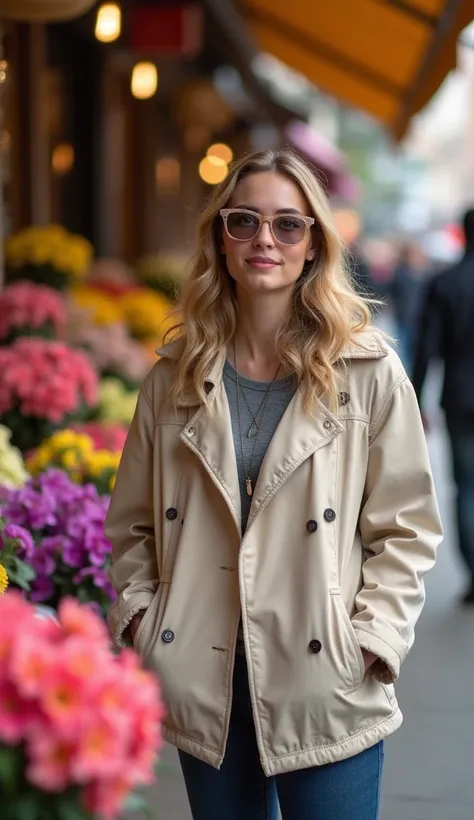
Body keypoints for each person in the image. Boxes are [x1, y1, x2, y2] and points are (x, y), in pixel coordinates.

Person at [106, 148, 442, 820]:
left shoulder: (367, 373)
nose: (265, 239)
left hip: (327, 676)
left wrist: (373, 639)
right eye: (245, 222)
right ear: (220, 240)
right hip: (206, 676)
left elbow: (407, 525)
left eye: (288, 225)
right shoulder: (172, 377)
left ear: (314, 243)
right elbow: (131, 525)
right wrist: (145, 621)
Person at [412, 207, 474, 606]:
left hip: (459, 399)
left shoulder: (445, 283)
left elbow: (426, 347)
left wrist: (416, 400)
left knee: (465, 487)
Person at [389, 243, 426, 374]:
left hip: (417, 318)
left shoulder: (422, 275)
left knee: (412, 348)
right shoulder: (400, 274)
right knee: (404, 347)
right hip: (404, 316)